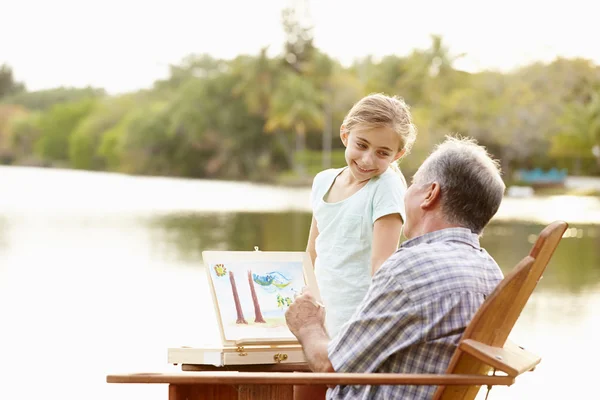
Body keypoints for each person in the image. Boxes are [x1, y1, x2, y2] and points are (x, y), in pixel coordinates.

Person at [287, 136, 506, 400]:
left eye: (413, 184)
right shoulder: (492, 273)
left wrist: (308, 325)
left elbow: (328, 365)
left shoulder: (409, 268)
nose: (405, 194)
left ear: (430, 194)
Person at [306, 93, 417, 340]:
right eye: (362, 145)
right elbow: (313, 251)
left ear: (397, 155)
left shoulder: (386, 187)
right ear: (345, 135)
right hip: (320, 316)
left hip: (357, 324)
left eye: (382, 153)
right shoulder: (323, 181)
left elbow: (382, 268)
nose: (368, 159)